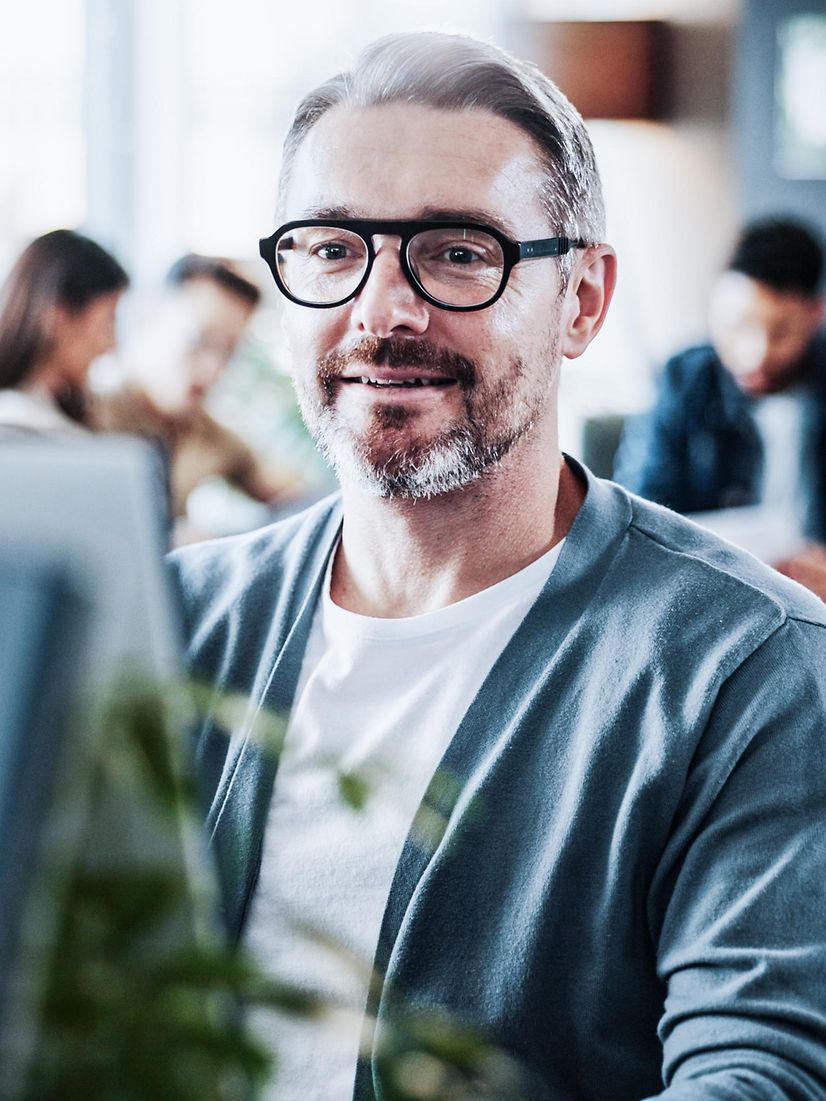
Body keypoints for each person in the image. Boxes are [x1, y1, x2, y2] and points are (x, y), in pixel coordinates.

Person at [169, 32, 826, 1101]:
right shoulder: (170, 622)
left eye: (458, 251)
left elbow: (756, 1077)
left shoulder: (751, 670)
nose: (382, 312)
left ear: (583, 300)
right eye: (333, 248)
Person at [613, 219, 826, 542]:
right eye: (736, 326)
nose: (756, 354)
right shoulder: (684, 381)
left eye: (781, 332)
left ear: (816, 315)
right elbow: (638, 518)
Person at [91, 254, 301, 524]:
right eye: (199, 341)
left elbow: (295, 495)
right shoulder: (86, 414)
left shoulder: (208, 435)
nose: (213, 369)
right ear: (149, 316)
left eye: (228, 352)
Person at [0, 229, 128, 435]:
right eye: (107, 322)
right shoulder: (18, 423)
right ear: (59, 315)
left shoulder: (53, 415)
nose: (112, 344)